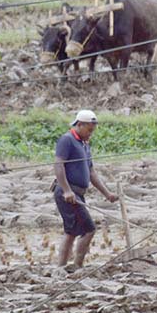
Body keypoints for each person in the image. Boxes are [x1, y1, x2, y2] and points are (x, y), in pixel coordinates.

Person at [52, 109, 118, 271]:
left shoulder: (84, 144)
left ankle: (63, 267)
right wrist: (67, 191)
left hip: (78, 193)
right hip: (67, 193)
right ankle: (75, 266)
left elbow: (91, 173)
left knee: (72, 231)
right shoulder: (67, 140)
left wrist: (107, 194)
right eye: (89, 130)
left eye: (92, 131)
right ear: (79, 125)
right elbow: (58, 165)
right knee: (88, 229)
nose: (91, 134)